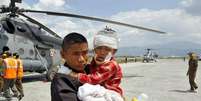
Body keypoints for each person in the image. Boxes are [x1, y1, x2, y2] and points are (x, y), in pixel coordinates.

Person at [69, 28, 123, 101]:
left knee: (84, 91)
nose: (102, 52)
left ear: (113, 51)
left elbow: (94, 79)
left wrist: (75, 75)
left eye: (107, 49)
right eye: (99, 48)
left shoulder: (111, 65)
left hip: (111, 93)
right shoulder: (96, 60)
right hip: (101, 90)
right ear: (95, 49)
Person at [51, 32, 89, 101]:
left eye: (85, 53)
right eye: (75, 54)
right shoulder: (61, 82)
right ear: (63, 55)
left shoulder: (90, 69)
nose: (81, 59)